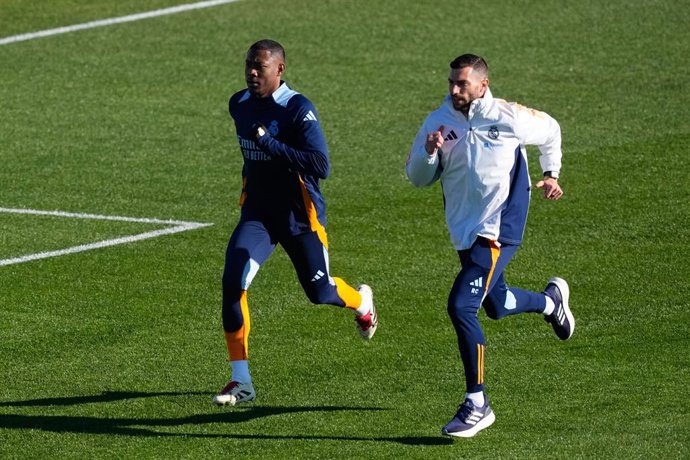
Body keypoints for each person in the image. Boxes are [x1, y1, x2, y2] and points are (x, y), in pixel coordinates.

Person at [405, 54, 575, 438]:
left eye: (462, 83)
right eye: (451, 82)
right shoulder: (438, 122)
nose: (453, 89)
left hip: (499, 228)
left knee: (462, 305)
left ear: (482, 84)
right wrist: (429, 151)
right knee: (495, 304)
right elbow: (417, 178)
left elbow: (550, 130)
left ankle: (477, 404)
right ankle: (551, 302)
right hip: (464, 232)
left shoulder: (508, 116)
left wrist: (551, 173)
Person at [214, 39, 378, 406]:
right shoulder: (237, 104)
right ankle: (241, 380)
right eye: (248, 65)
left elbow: (321, 166)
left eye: (260, 66)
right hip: (257, 215)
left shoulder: (298, 109)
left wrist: (270, 144)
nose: (252, 73)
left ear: (280, 70)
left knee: (320, 293)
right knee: (233, 281)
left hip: (299, 219)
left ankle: (362, 303)